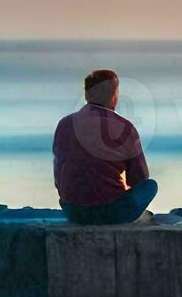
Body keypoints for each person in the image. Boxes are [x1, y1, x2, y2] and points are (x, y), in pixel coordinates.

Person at [53, 69, 157, 225]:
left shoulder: (65, 124)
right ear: (114, 97)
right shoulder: (125, 128)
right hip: (110, 212)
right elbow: (139, 179)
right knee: (150, 186)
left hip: (73, 211)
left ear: (87, 95)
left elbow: (58, 176)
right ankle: (138, 215)